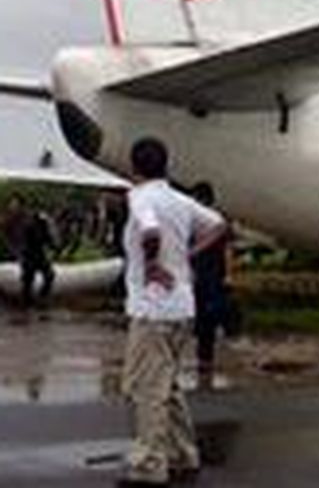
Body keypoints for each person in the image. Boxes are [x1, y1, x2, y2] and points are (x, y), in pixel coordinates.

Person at [119, 137, 227, 487]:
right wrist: (188, 255)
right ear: (165, 165)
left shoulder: (140, 196)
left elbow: (149, 231)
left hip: (153, 308)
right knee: (169, 384)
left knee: (149, 388)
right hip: (182, 306)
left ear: (134, 168)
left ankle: (149, 462)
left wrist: (152, 263)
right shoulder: (180, 200)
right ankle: (183, 453)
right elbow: (219, 225)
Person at [189, 183, 236, 384]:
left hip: (212, 273)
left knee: (210, 313)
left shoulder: (215, 221)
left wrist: (229, 274)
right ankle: (204, 357)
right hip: (201, 273)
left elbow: (227, 249)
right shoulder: (195, 221)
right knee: (201, 316)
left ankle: (207, 356)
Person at [5, 197, 57, 309]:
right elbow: (10, 237)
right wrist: (15, 250)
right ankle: (26, 304)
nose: (13, 207)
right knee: (28, 280)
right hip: (26, 253)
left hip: (37, 251)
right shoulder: (11, 221)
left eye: (15, 204)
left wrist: (53, 246)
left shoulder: (34, 218)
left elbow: (45, 234)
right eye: (12, 204)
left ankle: (41, 298)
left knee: (49, 275)